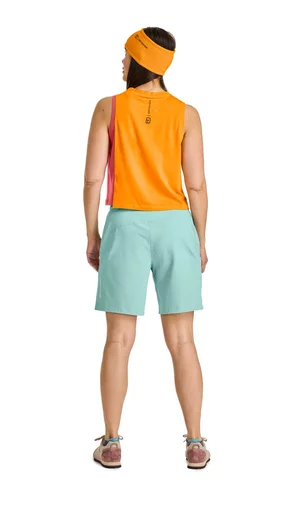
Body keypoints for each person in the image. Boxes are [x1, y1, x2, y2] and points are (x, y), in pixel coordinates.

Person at [83, 27, 210, 470]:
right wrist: (200, 240)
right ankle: (195, 443)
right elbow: (196, 185)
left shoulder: (108, 107)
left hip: (126, 224)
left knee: (118, 340)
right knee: (183, 340)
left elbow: (93, 179)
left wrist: (92, 234)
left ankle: (111, 442)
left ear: (141, 60)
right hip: (177, 227)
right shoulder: (187, 114)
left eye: (126, 56)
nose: (121, 63)